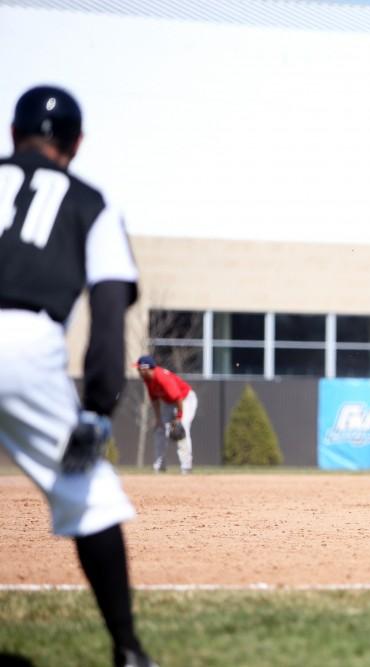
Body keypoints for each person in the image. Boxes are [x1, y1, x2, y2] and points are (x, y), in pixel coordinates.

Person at [0, 86, 158, 666]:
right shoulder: (89, 201)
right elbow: (109, 314)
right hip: (23, 342)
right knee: (90, 497)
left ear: (14, 133)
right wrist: (96, 408)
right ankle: (128, 650)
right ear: (77, 143)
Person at [135, 355, 197, 474]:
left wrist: (178, 418)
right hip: (170, 403)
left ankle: (186, 466)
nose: (138, 371)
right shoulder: (148, 380)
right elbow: (154, 400)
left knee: (182, 428)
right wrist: (158, 419)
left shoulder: (162, 378)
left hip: (185, 399)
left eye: (139, 369)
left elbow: (178, 397)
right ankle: (160, 465)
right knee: (160, 429)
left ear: (146, 369)